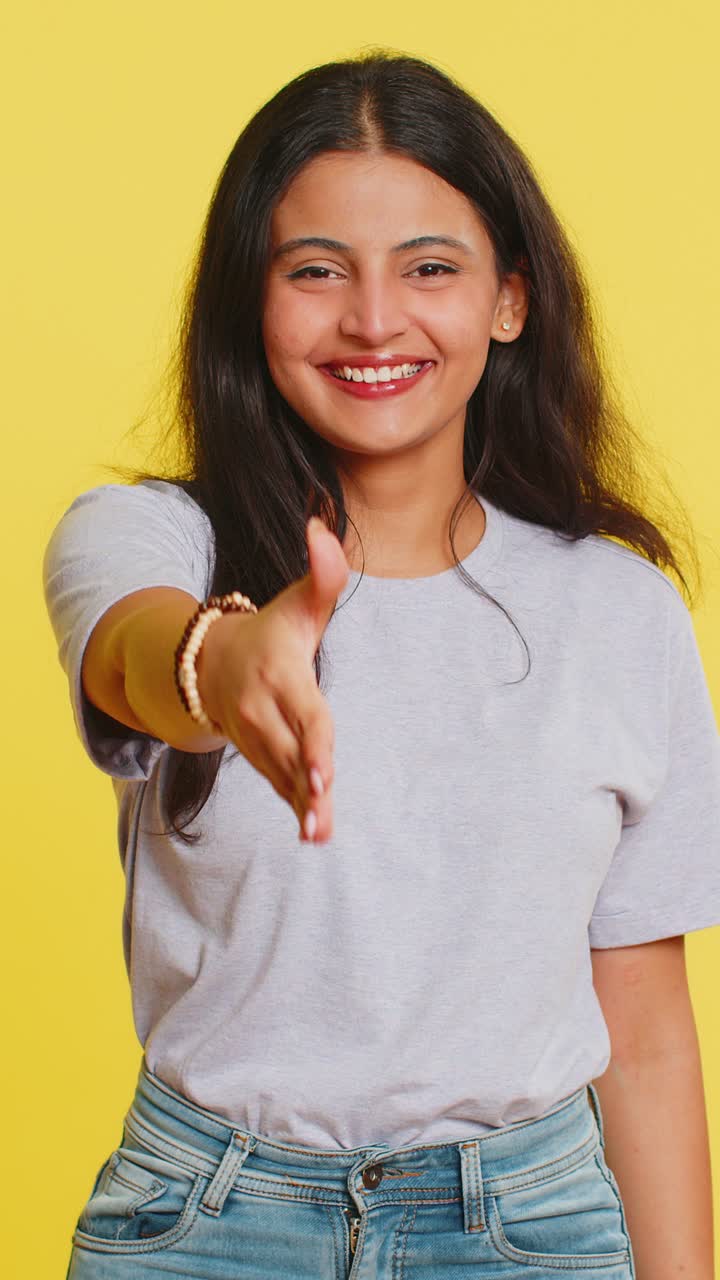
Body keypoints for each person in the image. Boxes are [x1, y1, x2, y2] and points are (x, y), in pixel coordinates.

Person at [42, 49, 720, 1280]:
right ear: (253, 298)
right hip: (205, 1220)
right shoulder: (151, 541)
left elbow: (649, 1028)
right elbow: (140, 656)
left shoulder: (620, 610)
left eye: (429, 269)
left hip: (532, 1226)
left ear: (508, 300)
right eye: (316, 271)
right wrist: (225, 660)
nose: (371, 319)